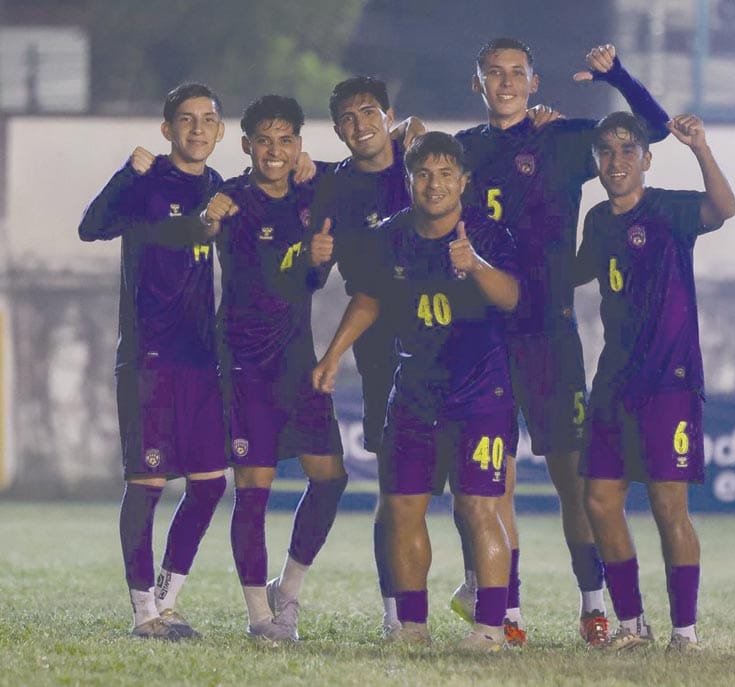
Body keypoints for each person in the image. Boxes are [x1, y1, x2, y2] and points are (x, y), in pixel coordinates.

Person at [452, 38, 671, 646]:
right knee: (494, 482)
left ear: (534, 82)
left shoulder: (563, 139)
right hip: (483, 334)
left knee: (572, 479)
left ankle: (593, 605)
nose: (506, 82)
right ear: (477, 83)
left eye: (516, 72)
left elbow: (653, 129)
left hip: (549, 331)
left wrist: (618, 75)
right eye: (494, 72)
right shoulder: (462, 150)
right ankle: (508, 611)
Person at [313, 132, 521, 652]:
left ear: (463, 181)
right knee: (402, 507)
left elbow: (512, 298)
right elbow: (369, 299)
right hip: (413, 392)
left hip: (480, 395)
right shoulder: (390, 236)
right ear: (408, 181)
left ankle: (490, 629)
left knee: (479, 508)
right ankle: (412, 626)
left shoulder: (488, 234)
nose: (434, 185)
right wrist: (333, 354)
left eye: (446, 174)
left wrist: (476, 265)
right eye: (423, 174)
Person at [574, 111, 735, 652]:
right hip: (613, 381)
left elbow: (724, 209)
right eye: (606, 151)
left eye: (627, 150)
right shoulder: (598, 219)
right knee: (599, 501)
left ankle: (684, 633)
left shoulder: (669, 209)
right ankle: (631, 624)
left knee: (669, 508)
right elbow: (575, 272)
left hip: (669, 382)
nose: (616, 160)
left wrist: (700, 148)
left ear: (646, 159)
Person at [78, 83, 228, 640]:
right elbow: (90, 227)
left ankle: (167, 599)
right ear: (167, 129)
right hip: (149, 357)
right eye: (186, 119)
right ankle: (144, 611)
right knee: (148, 482)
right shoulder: (145, 182)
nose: (197, 128)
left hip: (201, 359)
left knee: (210, 484)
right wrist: (125, 174)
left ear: (220, 131)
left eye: (207, 119)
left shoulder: (218, 187)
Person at [200, 95, 347, 642]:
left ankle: (288, 589)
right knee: (253, 489)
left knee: (330, 479)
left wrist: (320, 259)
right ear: (247, 145)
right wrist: (205, 220)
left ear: (299, 145)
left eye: (286, 140)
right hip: (245, 366)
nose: (275, 151)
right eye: (265, 140)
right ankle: (259, 616)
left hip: (297, 361)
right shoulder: (231, 200)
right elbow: (246, 263)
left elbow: (373, 159)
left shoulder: (314, 194)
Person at [313, 76, 416, 636]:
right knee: (394, 489)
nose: (360, 124)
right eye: (348, 118)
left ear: (389, 115)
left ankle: (494, 605)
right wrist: (315, 259)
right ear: (337, 130)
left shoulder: (421, 161)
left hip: (450, 342)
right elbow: (317, 279)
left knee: (475, 490)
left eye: (370, 112)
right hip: (379, 347)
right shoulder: (333, 187)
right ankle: (396, 613)